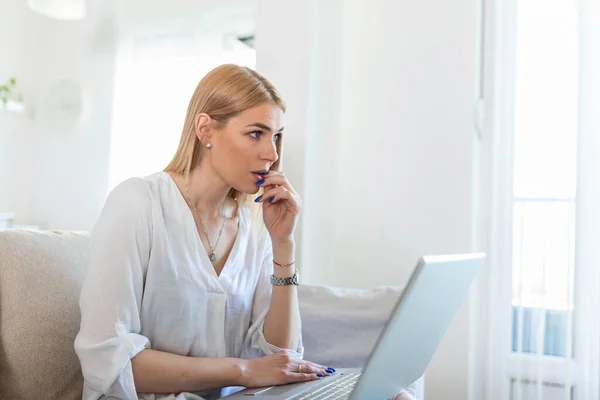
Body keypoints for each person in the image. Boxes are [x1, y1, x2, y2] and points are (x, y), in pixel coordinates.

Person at [74, 64, 415, 400]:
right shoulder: (138, 203)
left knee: (395, 396)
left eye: (276, 136)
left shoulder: (253, 225)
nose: (272, 153)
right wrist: (244, 371)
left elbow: (281, 354)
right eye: (256, 133)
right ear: (205, 130)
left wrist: (284, 245)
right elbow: (107, 362)